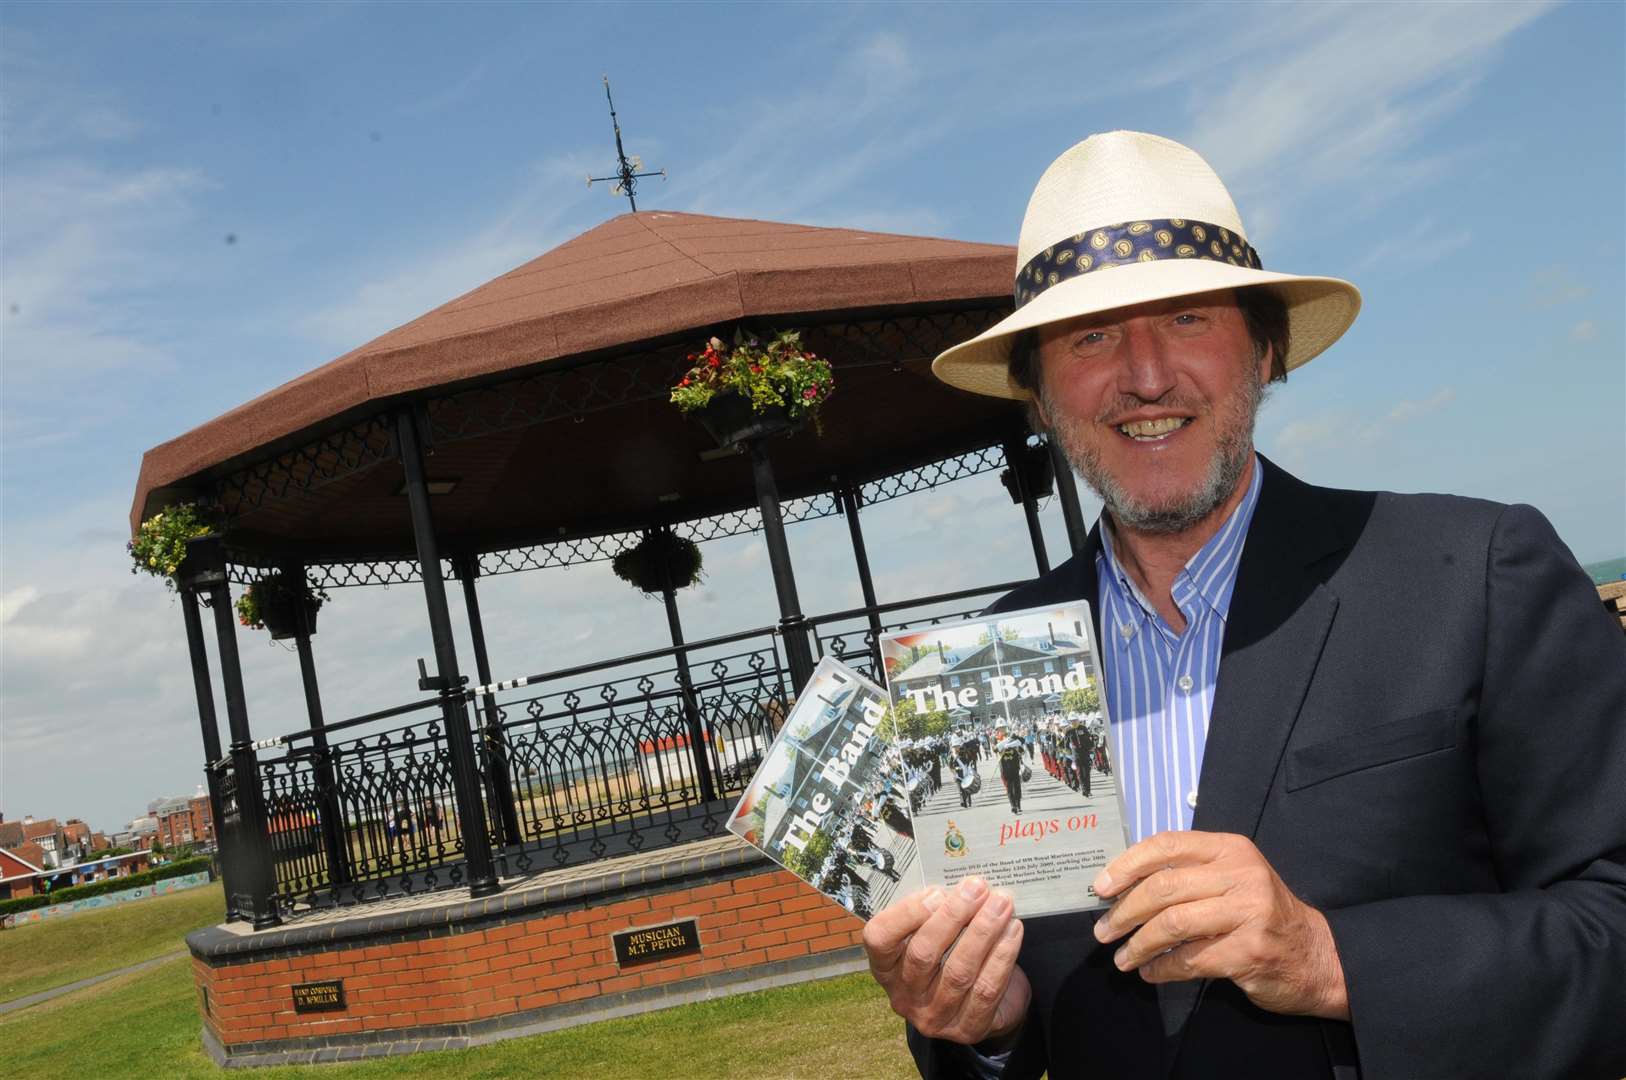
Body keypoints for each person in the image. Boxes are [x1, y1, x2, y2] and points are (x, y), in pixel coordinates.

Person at [860, 131, 1626, 1079]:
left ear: (1266, 350)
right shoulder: (989, 669)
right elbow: (1021, 1024)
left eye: (1186, 319)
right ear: (1039, 395)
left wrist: (1328, 958)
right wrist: (988, 1025)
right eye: (1091, 336)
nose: (1145, 376)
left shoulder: (1472, 573)